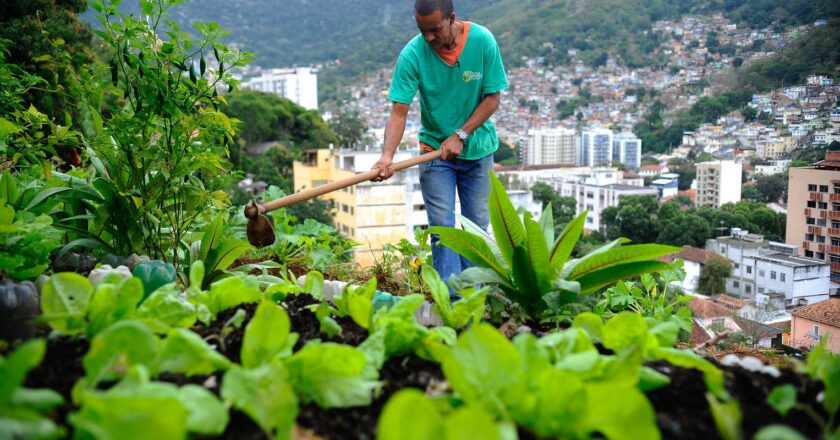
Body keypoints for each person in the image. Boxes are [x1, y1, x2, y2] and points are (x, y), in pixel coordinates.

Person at [372, 0, 508, 295]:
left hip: (478, 149)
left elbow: (492, 98)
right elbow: (399, 111)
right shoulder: (413, 53)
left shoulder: (482, 41)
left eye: (434, 30)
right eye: (423, 31)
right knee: (442, 229)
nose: (429, 38)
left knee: (474, 229)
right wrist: (387, 156)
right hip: (434, 151)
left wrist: (461, 134)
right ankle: (452, 301)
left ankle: (474, 297)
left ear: (452, 19)